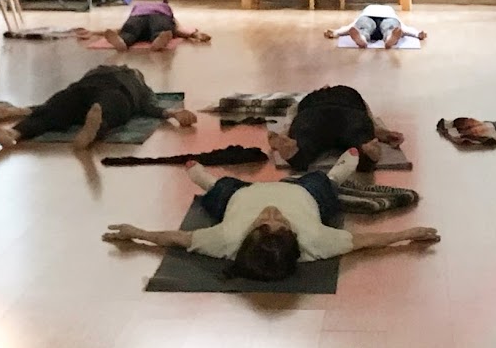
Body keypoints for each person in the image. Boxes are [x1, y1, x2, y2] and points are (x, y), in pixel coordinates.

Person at [104, 154, 438, 282]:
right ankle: (335, 176)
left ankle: (207, 181)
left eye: (264, 223)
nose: (273, 214)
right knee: (321, 185)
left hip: (240, 196)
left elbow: (178, 239)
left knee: (221, 192)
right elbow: (366, 241)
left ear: (246, 238)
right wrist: (409, 234)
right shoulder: (317, 242)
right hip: (303, 193)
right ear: (297, 239)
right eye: (281, 224)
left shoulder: (224, 241)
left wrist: (137, 232)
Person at [0, 61, 198, 151]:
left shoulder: (140, 87)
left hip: (118, 93)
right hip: (82, 89)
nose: (127, 66)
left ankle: (90, 132)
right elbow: (49, 105)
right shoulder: (101, 70)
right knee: (57, 107)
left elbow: (151, 107)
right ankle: (11, 134)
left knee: (105, 108)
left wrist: (174, 113)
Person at [266, 83, 404, 171]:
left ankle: (295, 154)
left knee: (305, 144)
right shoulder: (350, 94)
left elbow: (290, 122)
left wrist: (280, 137)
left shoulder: (308, 99)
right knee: (358, 139)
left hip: (312, 116)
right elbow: (371, 122)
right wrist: (386, 134)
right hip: (350, 114)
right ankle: (366, 153)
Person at [79, 0, 211, 54]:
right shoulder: (164, 8)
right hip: (159, 18)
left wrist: (95, 32)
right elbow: (177, 29)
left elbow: (120, 29)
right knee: (161, 30)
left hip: (137, 19)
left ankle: (123, 41)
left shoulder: (137, 9)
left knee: (129, 32)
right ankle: (158, 40)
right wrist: (194, 34)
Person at [333, 3, 426, 50]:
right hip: (370, 18)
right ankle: (362, 38)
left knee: (388, 26)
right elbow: (405, 28)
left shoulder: (390, 14)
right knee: (365, 26)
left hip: (385, 19)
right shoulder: (367, 14)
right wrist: (417, 34)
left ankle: (389, 38)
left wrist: (336, 32)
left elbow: (350, 26)